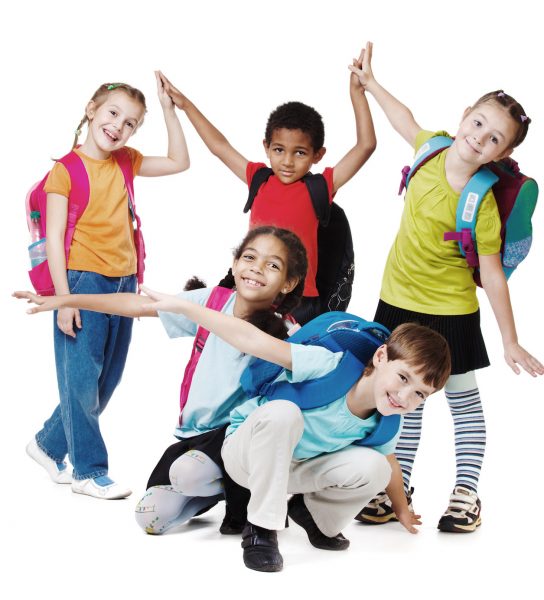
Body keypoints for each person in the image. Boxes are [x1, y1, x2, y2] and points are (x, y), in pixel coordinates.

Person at [348, 42, 544, 532]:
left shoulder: (483, 205)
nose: (479, 138)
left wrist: (510, 340)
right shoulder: (432, 147)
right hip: (396, 303)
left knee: (462, 401)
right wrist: (371, 84)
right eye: (477, 123)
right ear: (464, 116)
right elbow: (405, 119)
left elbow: (492, 274)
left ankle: (466, 494)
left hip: (449, 314)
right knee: (403, 398)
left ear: (503, 153)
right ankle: (399, 487)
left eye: (494, 138)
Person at [121, 287, 451, 572]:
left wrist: (402, 510)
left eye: (420, 394)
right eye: (403, 378)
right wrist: (185, 308)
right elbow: (252, 339)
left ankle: (314, 515)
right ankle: (261, 528)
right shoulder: (329, 365)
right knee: (283, 413)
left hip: (290, 471)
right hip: (245, 453)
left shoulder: (386, 420)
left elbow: (389, 464)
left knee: (376, 467)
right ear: (380, 357)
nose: (404, 397)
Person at [15, 226, 307, 528]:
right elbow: (138, 305)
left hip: (235, 437)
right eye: (250, 257)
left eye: (273, 265)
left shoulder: (286, 332)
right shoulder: (214, 301)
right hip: (194, 435)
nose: (257, 268)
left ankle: (238, 484)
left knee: (188, 474)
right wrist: (67, 299)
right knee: (150, 517)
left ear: (288, 283)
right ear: (234, 264)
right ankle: (212, 491)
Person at [24, 74, 190, 500]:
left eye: (130, 123)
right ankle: (88, 471)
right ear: (91, 110)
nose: (118, 126)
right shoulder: (64, 171)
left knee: (106, 381)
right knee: (81, 381)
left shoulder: (126, 160)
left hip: (124, 282)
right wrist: (64, 300)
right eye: (113, 113)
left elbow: (179, 162)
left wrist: (168, 110)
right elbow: (55, 240)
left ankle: (48, 446)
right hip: (83, 281)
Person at [156, 43, 376, 323]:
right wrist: (185, 105)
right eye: (279, 150)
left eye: (300, 153)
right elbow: (219, 146)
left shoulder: (320, 187)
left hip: (296, 302)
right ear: (266, 147)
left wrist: (357, 93)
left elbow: (366, 145)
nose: (287, 162)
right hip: (251, 290)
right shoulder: (259, 179)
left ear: (317, 155)